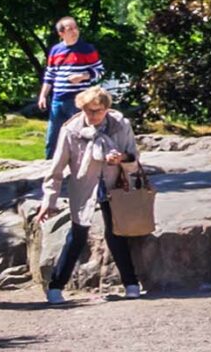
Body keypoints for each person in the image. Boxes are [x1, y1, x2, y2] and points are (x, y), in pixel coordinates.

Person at [36, 85, 144, 303]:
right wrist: (49, 201)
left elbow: (134, 157)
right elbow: (56, 169)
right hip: (84, 187)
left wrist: (120, 158)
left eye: (97, 110)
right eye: (88, 110)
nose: (93, 115)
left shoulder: (120, 125)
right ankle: (56, 287)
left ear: (106, 108)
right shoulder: (71, 130)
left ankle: (131, 284)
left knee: (116, 234)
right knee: (77, 236)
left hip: (115, 185)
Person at [37, 17, 103, 158]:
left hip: (78, 100)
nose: (75, 31)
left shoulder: (87, 49)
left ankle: (81, 165)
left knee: (79, 134)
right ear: (61, 33)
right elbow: (50, 75)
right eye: (70, 29)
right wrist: (43, 95)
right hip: (58, 99)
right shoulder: (55, 50)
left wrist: (83, 76)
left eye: (76, 28)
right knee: (52, 136)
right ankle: (48, 166)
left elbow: (99, 71)